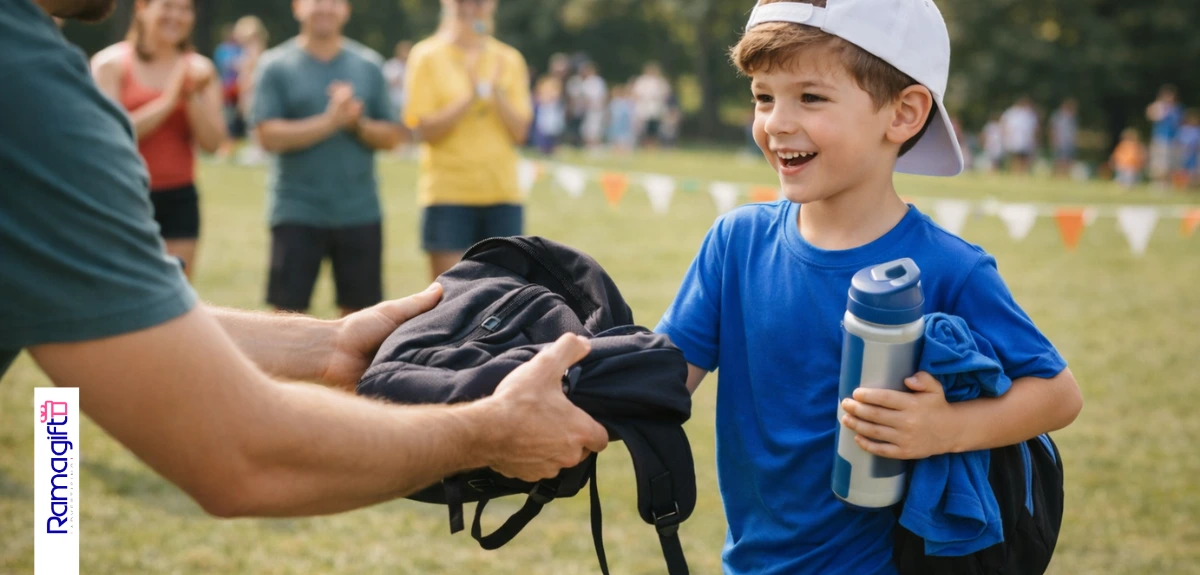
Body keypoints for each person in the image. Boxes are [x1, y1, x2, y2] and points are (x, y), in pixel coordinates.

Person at [4, 0, 607, 522]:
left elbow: (109, 316)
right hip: (296, 210)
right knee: (61, 530)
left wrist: (329, 345)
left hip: (347, 212)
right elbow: (243, 453)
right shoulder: (30, 91)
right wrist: (488, 431)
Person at [656, 1, 1083, 573]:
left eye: (810, 96)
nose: (777, 122)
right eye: (763, 96)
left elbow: (1057, 395)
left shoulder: (951, 267)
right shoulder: (736, 242)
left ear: (904, 114)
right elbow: (664, 381)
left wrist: (945, 430)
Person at [251, 0, 403, 316]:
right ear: (297, 7)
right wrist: (330, 121)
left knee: (362, 318)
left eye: (334, 1)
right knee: (287, 317)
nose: (325, 8)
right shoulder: (275, 64)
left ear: (346, 9)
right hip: (296, 209)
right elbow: (267, 136)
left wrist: (356, 124)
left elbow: (392, 137)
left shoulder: (368, 64)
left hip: (359, 210)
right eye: (316, 1)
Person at [91, 0, 226, 280]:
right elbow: (110, 135)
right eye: (167, 6)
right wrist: (169, 100)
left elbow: (213, 143)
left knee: (178, 296)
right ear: (142, 8)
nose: (176, 16)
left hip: (179, 198)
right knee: (121, 292)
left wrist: (190, 98)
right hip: (123, 195)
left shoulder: (201, 69)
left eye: (185, 9)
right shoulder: (110, 64)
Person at [404, 0, 533, 281]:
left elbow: (520, 132)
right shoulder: (426, 56)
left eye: (479, 1)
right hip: (448, 193)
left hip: (503, 194)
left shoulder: (509, 59)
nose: (471, 7)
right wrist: (469, 96)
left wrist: (495, 92)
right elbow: (423, 130)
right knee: (449, 299)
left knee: (505, 295)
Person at [233, 15, 269, 166]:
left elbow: (253, 69)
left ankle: (259, 151)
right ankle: (257, 150)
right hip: (249, 90)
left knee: (254, 121)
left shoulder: (254, 48)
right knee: (251, 121)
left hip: (252, 90)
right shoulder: (251, 48)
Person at [213, 24, 244, 159]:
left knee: (236, 119)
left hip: (239, 89)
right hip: (227, 88)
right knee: (227, 117)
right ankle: (225, 146)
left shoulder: (240, 49)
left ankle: (230, 146)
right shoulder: (222, 50)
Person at [1146, 84, 1183, 186]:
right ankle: (1158, 184)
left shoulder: (1177, 109)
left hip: (1173, 139)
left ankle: (1167, 184)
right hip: (1160, 138)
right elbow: (1151, 115)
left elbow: (1179, 123)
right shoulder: (1159, 106)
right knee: (1159, 163)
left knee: (1170, 164)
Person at [632, 62, 671, 148]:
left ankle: (653, 145)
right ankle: (644, 145)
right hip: (644, 109)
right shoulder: (641, 81)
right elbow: (635, 94)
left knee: (655, 128)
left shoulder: (661, 81)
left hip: (656, 109)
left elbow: (666, 94)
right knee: (644, 129)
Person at [1000, 96, 1039, 175]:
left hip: (1026, 140)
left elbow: (1035, 128)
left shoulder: (1029, 114)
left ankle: (1022, 173)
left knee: (1025, 158)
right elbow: (1004, 125)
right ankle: (1015, 173)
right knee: (1015, 158)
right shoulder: (1012, 113)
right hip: (1015, 140)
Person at [576, 60, 608, 153]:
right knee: (588, 129)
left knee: (595, 129)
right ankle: (589, 147)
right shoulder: (586, 82)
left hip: (596, 109)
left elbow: (602, 96)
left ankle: (595, 147)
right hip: (588, 110)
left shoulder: (597, 81)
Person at [383, 40, 412, 120]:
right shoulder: (391, 65)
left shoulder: (411, 65)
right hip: (394, 103)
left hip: (408, 103)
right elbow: (387, 82)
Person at [1050, 98, 1078, 178]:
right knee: (1059, 159)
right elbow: (1053, 128)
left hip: (1069, 141)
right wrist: (1054, 139)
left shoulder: (1073, 117)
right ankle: (1057, 175)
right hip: (1060, 140)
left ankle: (1065, 175)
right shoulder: (1058, 116)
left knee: (1068, 159)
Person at [606, 83, 636, 154]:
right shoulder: (613, 103)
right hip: (615, 124)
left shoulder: (624, 103)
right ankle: (617, 151)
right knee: (615, 138)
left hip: (622, 125)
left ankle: (623, 151)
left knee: (623, 139)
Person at [1176, 109, 1200, 189]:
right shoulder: (1184, 130)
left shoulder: (1197, 130)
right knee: (1183, 169)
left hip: (1194, 153)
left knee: (1193, 170)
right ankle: (1183, 185)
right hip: (1185, 153)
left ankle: (1193, 185)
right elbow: (1179, 141)